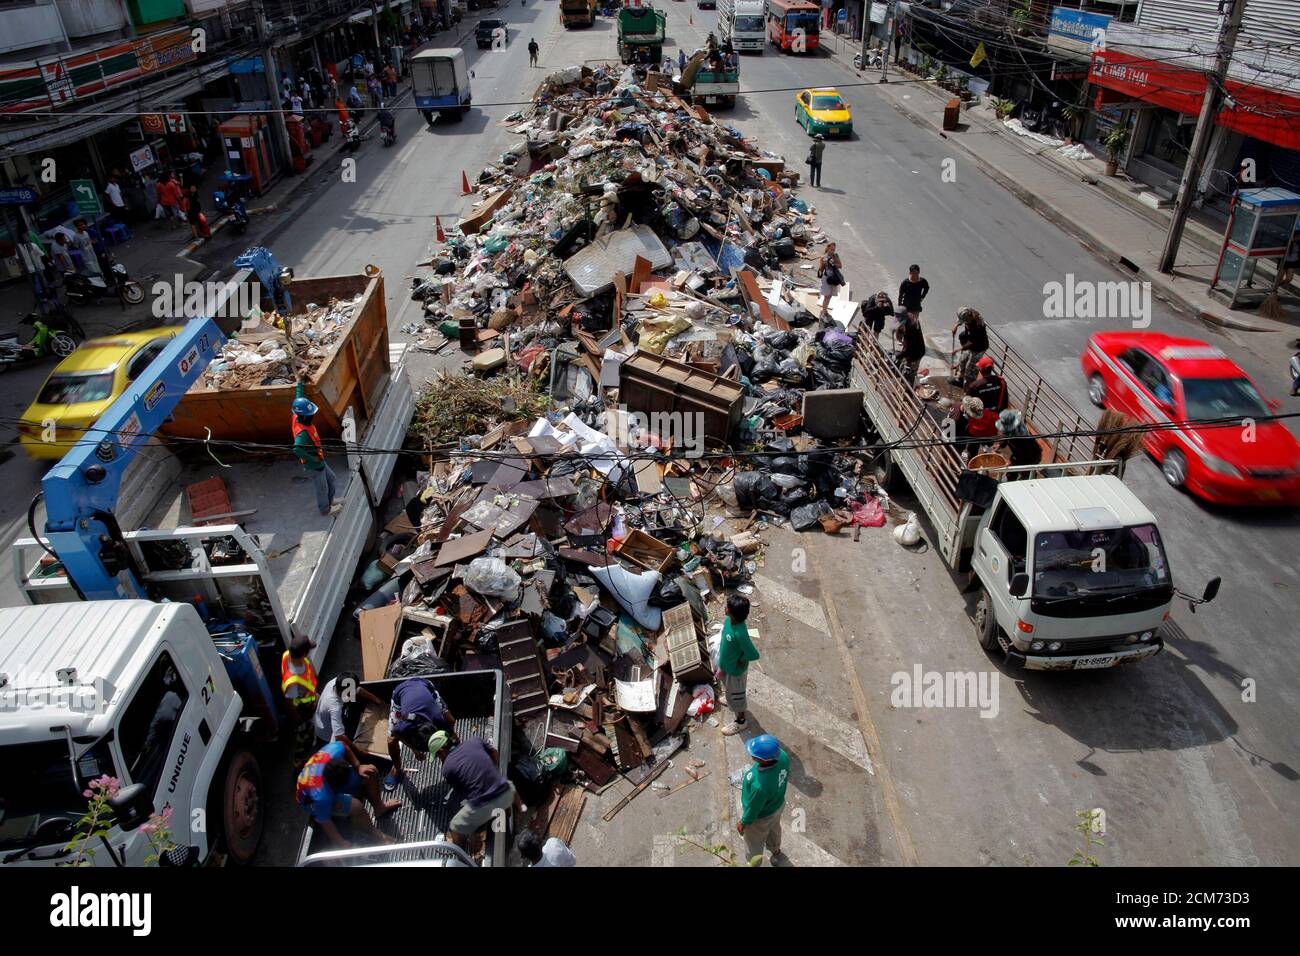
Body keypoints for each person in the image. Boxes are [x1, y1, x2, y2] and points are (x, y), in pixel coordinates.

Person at [296, 737, 400, 850]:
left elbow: (344, 745)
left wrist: (358, 766)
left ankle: (379, 807)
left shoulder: (333, 750)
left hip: (330, 779)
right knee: (356, 807)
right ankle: (376, 835)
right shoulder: (320, 797)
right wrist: (342, 843)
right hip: (311, 802)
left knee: (370, 772)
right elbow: (325, 822)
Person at [431, 733, 527, 849]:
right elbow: (494, 753)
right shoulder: (474, 741)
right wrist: (493, 772)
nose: (440, 759)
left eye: (438, 756)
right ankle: (520, 807)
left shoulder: (447, 768)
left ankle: (461, 855)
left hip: (484, 806)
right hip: (507, 793)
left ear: (442, 751)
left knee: (455, 827)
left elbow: (463, 792)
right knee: (509, 785)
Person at [384, 677, 458, 791]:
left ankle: (455, 756)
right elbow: (396, 733)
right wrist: (414, 750)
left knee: (451, 720)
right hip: (400, 693)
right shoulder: (404, 726)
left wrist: (454, 743)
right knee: (391, 741)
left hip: (424, 684)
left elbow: (451, 730)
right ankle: (397, 768)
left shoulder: (438, 718)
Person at [737, 734, 790, 867]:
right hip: (777, 804)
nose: (751, 755)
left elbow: (753, 809)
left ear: (765, 760)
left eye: (755, 755)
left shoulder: (759, 786)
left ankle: (753, 863)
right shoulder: (782, 755)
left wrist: (743, 823)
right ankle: (775, 849)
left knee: (753, 841)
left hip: (761, 816)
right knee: (774, 828)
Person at [292, 372, 339, 516]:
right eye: (310, 414)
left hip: (319, 458)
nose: (312, 416)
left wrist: (299, 381)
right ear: (304, 416)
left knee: (332, 479)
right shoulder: (302, 434)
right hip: (314, 463)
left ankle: (330, 501)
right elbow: (297, 449)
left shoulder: (296, 415)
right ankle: (325, 509)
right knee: (322, 487)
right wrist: (313, 459)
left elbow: (298, 398)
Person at [718, 593, 759, 736]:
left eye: (727, 606)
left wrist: (742, 660)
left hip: (736, 672)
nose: (725, 607)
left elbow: (754, 654)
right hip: (727, 667)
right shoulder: (729, 621)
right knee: (729, 690)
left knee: (738, 697)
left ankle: (741, 722)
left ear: (732, 612)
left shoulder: (740, 633)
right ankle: (730, 699)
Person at [314, 670, 383, 748]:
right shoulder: (335, 707)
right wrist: (356, 748)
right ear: (342, 691)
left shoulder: (338, 682)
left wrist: (376, 700)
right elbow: (339, 736)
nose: (353, 692)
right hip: (327, 733)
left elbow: (357, 690)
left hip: (329, 718)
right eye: (350, 692)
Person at [995, 409, 1043, 478]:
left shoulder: (1022, 435)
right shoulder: (1010, 430)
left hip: (1031, 455)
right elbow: (1006, 437)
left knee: (1025, 473)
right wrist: (1001, 445)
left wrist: (1012, 462)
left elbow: (1021, 454)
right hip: (1020, 454)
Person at [951, 306, 989, 385]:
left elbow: (973, 342)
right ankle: (960, 379)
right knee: (963, 360)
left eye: (965, 320)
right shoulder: (969, 312)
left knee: (970, 369)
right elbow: (960, 319)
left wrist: (959, 349)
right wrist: (956, 326)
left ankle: (970, 387)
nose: (964, 322)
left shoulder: (977, 325)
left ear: (969, 317)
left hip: (978, 347)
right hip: (970, 342)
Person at [896, 310, 925, 385]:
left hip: (915, 355)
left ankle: (907, 391)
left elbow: (908, 350)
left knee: (908, 375)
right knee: (905, 368)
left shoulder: (910, 330)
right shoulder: (912, 319)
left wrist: (898, 355)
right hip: (918, 350)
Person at [817, 240, 843, 317]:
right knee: (827, 296)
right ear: (827, 248)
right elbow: (821, 269)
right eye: (831, 249)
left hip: (834, 278)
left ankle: (824, 310)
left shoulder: (835, 256)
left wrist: (833, 264)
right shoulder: (823, 257)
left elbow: (840, 265)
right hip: (826, 278)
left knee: (830, 296)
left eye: (833, 250)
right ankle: (824, 311)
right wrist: (824, 263)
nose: (832, 251)